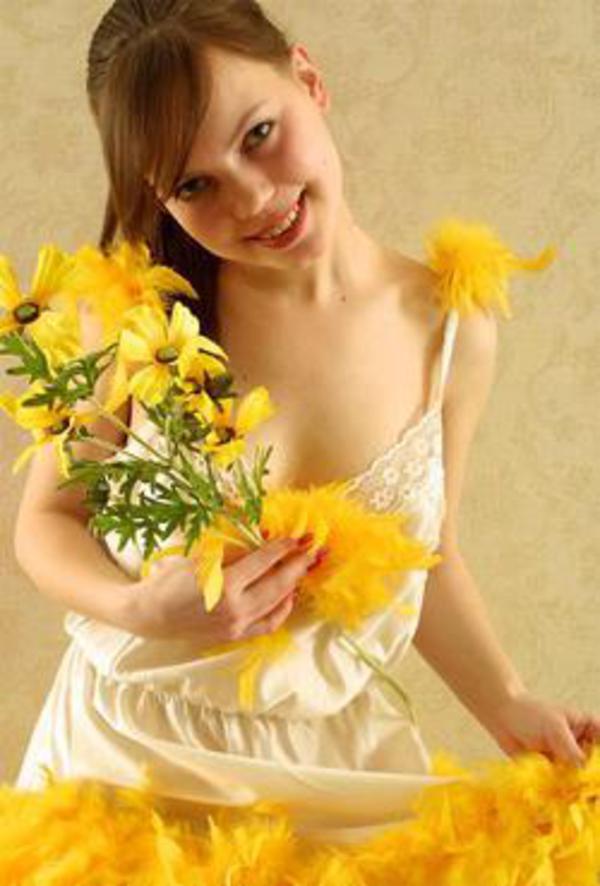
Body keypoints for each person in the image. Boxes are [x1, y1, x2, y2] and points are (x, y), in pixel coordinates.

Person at [13, 0, 599, 842]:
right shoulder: (136, 320)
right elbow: (47, 520)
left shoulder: (448, 328)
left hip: (337, 767)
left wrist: (508, 702)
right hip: (125, 763)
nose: (255, 199)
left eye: (258, 134)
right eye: (194, 185)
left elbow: (425, 555)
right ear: (157, 197)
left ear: (309, 80)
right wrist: (140, 606)